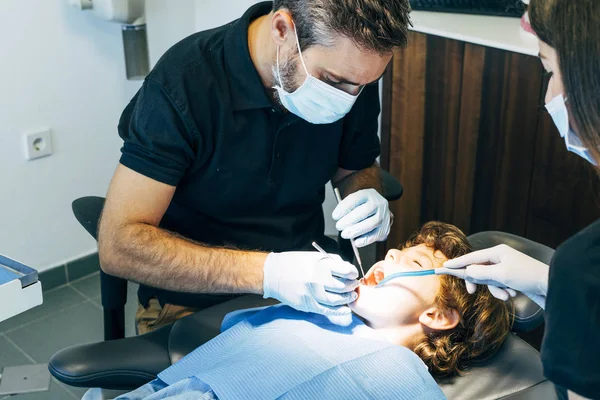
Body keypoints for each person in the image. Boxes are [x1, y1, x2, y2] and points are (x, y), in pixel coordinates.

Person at [98, 0, 411, 334]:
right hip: (194, 300)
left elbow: (354, 167)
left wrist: (366, 193)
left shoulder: (352, 70)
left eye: (362, 84)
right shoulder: (184, 84)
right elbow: (119, 245)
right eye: (333, 81)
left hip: (310, 283)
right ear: (282, 29)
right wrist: (269, 273)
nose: (349, 97)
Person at [116, 222, 511, 399]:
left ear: (439, 317)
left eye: (412, 261)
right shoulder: (313, 313)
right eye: (398, 249)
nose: (391, 251)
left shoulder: (405, 383)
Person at [439, 1, 600, 399]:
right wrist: (552, 283)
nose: (548, 92)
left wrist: (572, 286)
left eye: (548, 68)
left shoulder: (584, 266)